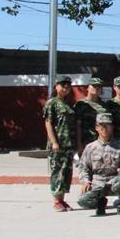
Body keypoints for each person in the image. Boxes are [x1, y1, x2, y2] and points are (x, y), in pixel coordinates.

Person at [76, 112, 120, 216]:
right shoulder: (90, 147)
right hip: (97, 183)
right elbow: (83, 167)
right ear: (96, 128)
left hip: (114, 181)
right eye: (102, 125)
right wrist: (85, 181)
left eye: (108, 125)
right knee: (82, 201)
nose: (105, 128)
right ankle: (100, 202)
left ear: (112, 127)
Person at [44, 75, 76, 212]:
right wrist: (54, 142)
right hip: (58, 144)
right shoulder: (52, 103)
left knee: (66, 173)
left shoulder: (67, 103)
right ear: (56, 86)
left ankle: (62, 199)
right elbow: (48, 123)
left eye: (68, 86)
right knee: (58, 172)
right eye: (63, 86)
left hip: (68, 144)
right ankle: (56, 201)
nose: (65, 89)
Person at [75, 77, 108, 154]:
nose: (96, 88)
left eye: (99, 86)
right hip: (86, 142)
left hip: (101, 143)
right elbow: (77, 125)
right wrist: (79, 144)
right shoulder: (81, 104)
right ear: (88, 87)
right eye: (94, 86)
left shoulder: (104, 106)